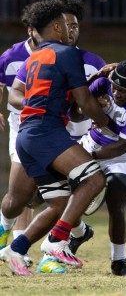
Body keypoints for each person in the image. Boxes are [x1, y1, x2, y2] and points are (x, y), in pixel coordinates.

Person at [0, 0, 109, 276]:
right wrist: (106, 123)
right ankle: (57, 244)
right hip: (45, 132)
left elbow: (71, 107)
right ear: (57, 27)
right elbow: (83, 102)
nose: (72, 30)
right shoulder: (67, 53)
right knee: (94, 178)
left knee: (58, 203)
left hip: (27, 134)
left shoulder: (35, 56)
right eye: (67, 24)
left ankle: (16, 249)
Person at [71, 59, 126, 276]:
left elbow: (121, 146)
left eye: (122, 91)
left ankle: (118, 261)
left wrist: (88, 158)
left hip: (120, 156)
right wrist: (96, 77)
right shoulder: (104, 83)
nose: (116, 94)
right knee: (60, 189)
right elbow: (76, 111)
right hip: (91, 142)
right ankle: (79, 233)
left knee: (118, 193)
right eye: (114, 88)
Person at [0, 21, 39, 267]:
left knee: (31, 186)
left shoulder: (59, 53)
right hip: (21, 125)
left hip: (49, 125)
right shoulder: (12, 56)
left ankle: (15, 246)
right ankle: (11, 238)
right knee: (23, 186)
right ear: (30, 30)